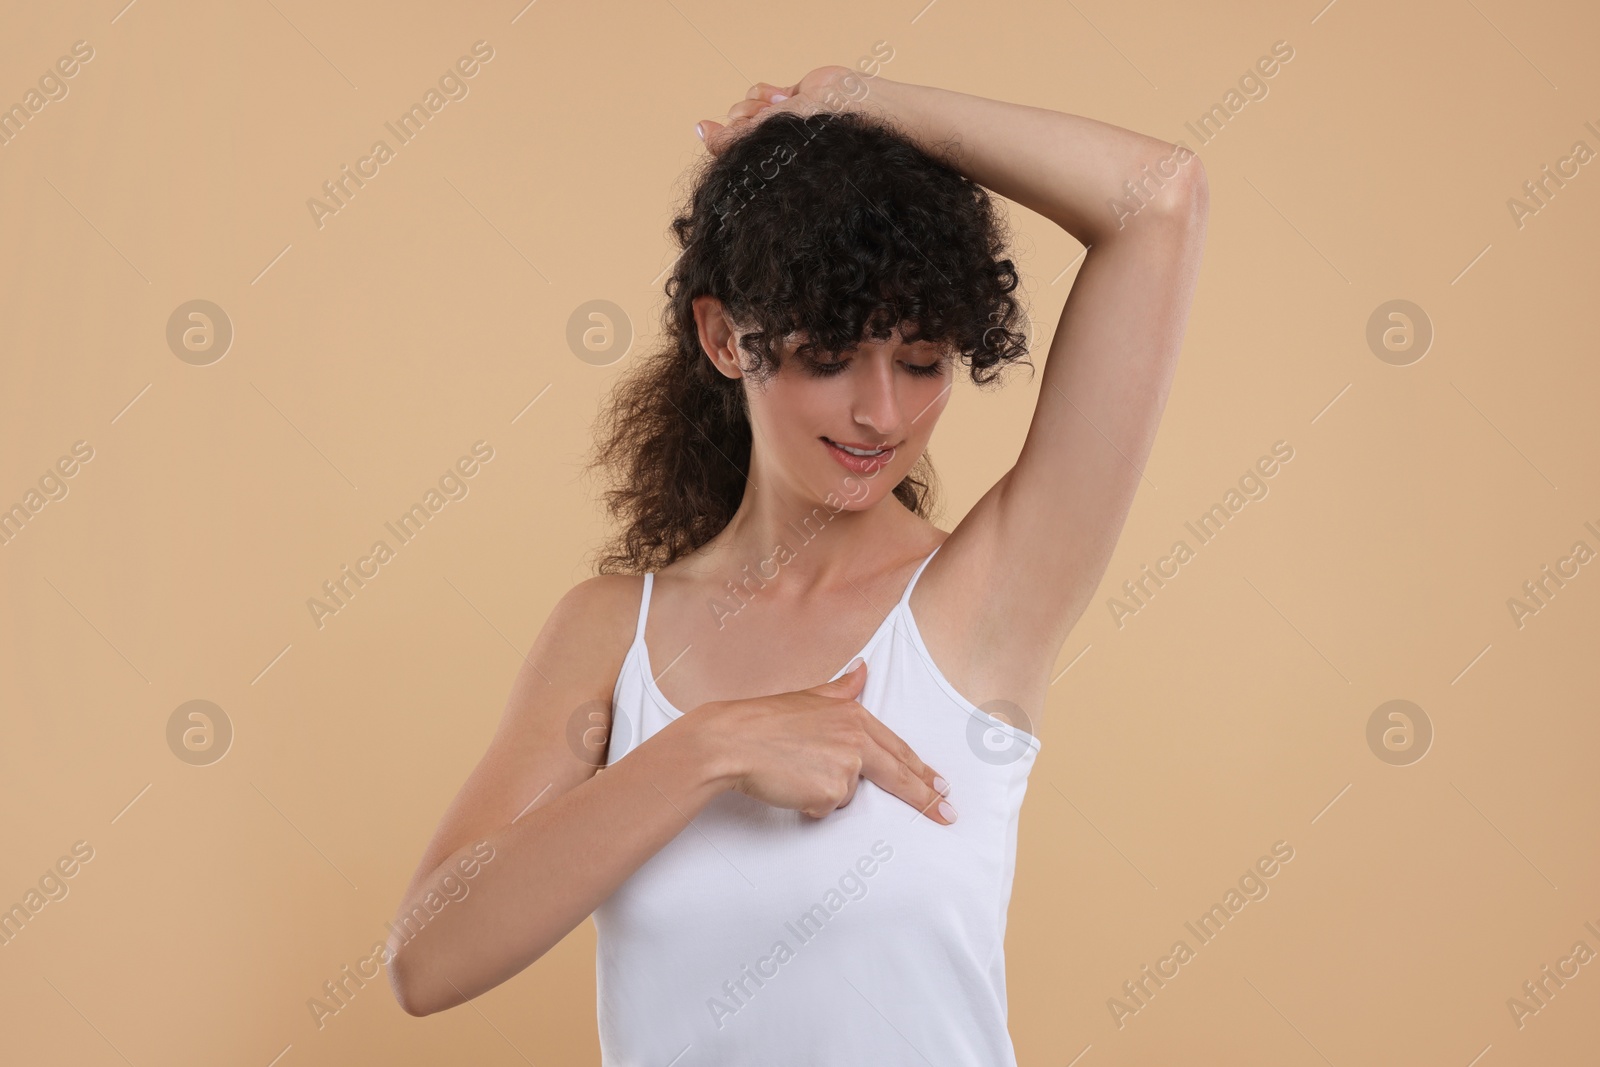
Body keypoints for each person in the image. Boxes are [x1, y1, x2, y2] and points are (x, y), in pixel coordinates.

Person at [385, 64, 1207, 1063]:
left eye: (921, 360)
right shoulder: (612, 632)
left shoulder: (987, 598)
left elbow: (1159, 198)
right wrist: (709, 749)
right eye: (829, 355)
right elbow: (427, 958)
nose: (881, 413)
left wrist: (860, 101)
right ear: (726, 337)